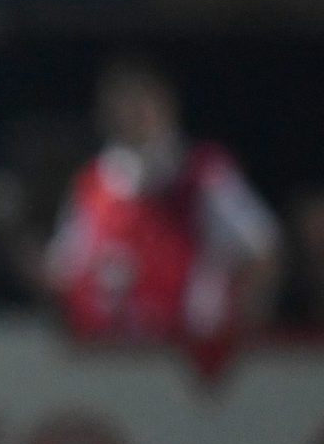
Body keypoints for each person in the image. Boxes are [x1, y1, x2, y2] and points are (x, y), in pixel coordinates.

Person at [45, 57, 280, 351]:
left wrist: (234, 338)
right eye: (122, 105)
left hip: (186, 355)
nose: (132, 115)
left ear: (165, 106)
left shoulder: (203, 172)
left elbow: (263, 251)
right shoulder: (93, 183)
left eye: (142, 103)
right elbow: (63, 272)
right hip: (110, 355)